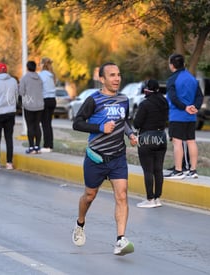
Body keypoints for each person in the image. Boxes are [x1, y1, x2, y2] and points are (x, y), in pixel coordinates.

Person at [71, 62, 138, 256]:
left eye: (118, 75)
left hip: (117, 157)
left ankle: (120, 240)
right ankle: (80, 223)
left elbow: (124, 121)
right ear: (102, 79)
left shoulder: (124, 99)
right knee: (90, 196)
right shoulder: (93, 100)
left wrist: (131, 134)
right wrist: (100, 128)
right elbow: (77, 123)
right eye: (112, 75)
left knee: (122, 195)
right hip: (96, 158)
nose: (117, 78)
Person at [165, 53, 203, 179]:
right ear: (184, 64)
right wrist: (195, 107)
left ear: (172, 65)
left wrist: (184, 107)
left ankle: (178, 170)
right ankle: (193, 170)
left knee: (177, 143)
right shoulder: (192, 78)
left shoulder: (172, 79)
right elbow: (199, 96)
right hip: (191, 117)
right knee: (191, 141)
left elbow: (173, 98)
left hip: (177, 116)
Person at [133, 79, 169, 208]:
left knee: (148, 170)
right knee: (158, 169)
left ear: (147, 89)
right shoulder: (164, 102)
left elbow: (136, 123)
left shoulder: (145, 104)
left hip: (147, 138)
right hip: (161, 137)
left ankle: (149, 199)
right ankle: (158, 198)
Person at [19, 60, 44, 154]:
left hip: (29, 106)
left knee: (30, 126)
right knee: (37, 125)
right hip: (40, 105)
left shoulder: (24, 78)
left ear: (27, 67)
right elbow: (42, 89)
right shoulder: (39, 78)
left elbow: (21, 92)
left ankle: (31, 147)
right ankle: (37, 146)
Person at [38, 57, 56, 153]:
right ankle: (50, 144)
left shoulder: (41, 75)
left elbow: (39, 88)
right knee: (48, 123)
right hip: (52, 100)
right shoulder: (52, 75)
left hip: (44, 99)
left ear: (42, 64)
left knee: (44, 124)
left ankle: (47, 145)